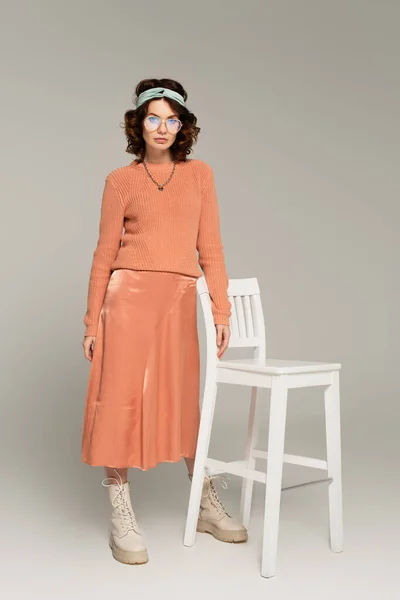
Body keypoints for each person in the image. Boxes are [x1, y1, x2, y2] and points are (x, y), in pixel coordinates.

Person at [81, 78, 248, 565]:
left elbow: (210, 248)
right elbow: (103, 254)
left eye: (171, 118)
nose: (162, 127)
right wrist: (92, 320)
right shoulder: (120, 181)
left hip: (178, 300)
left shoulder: (200, 176)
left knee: (182, 400)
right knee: (119, 400)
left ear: (183, 125)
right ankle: (119, 508)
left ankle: (203, 503)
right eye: (152, 117)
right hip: (127, 299)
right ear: (138, 123)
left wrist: (221, 309)